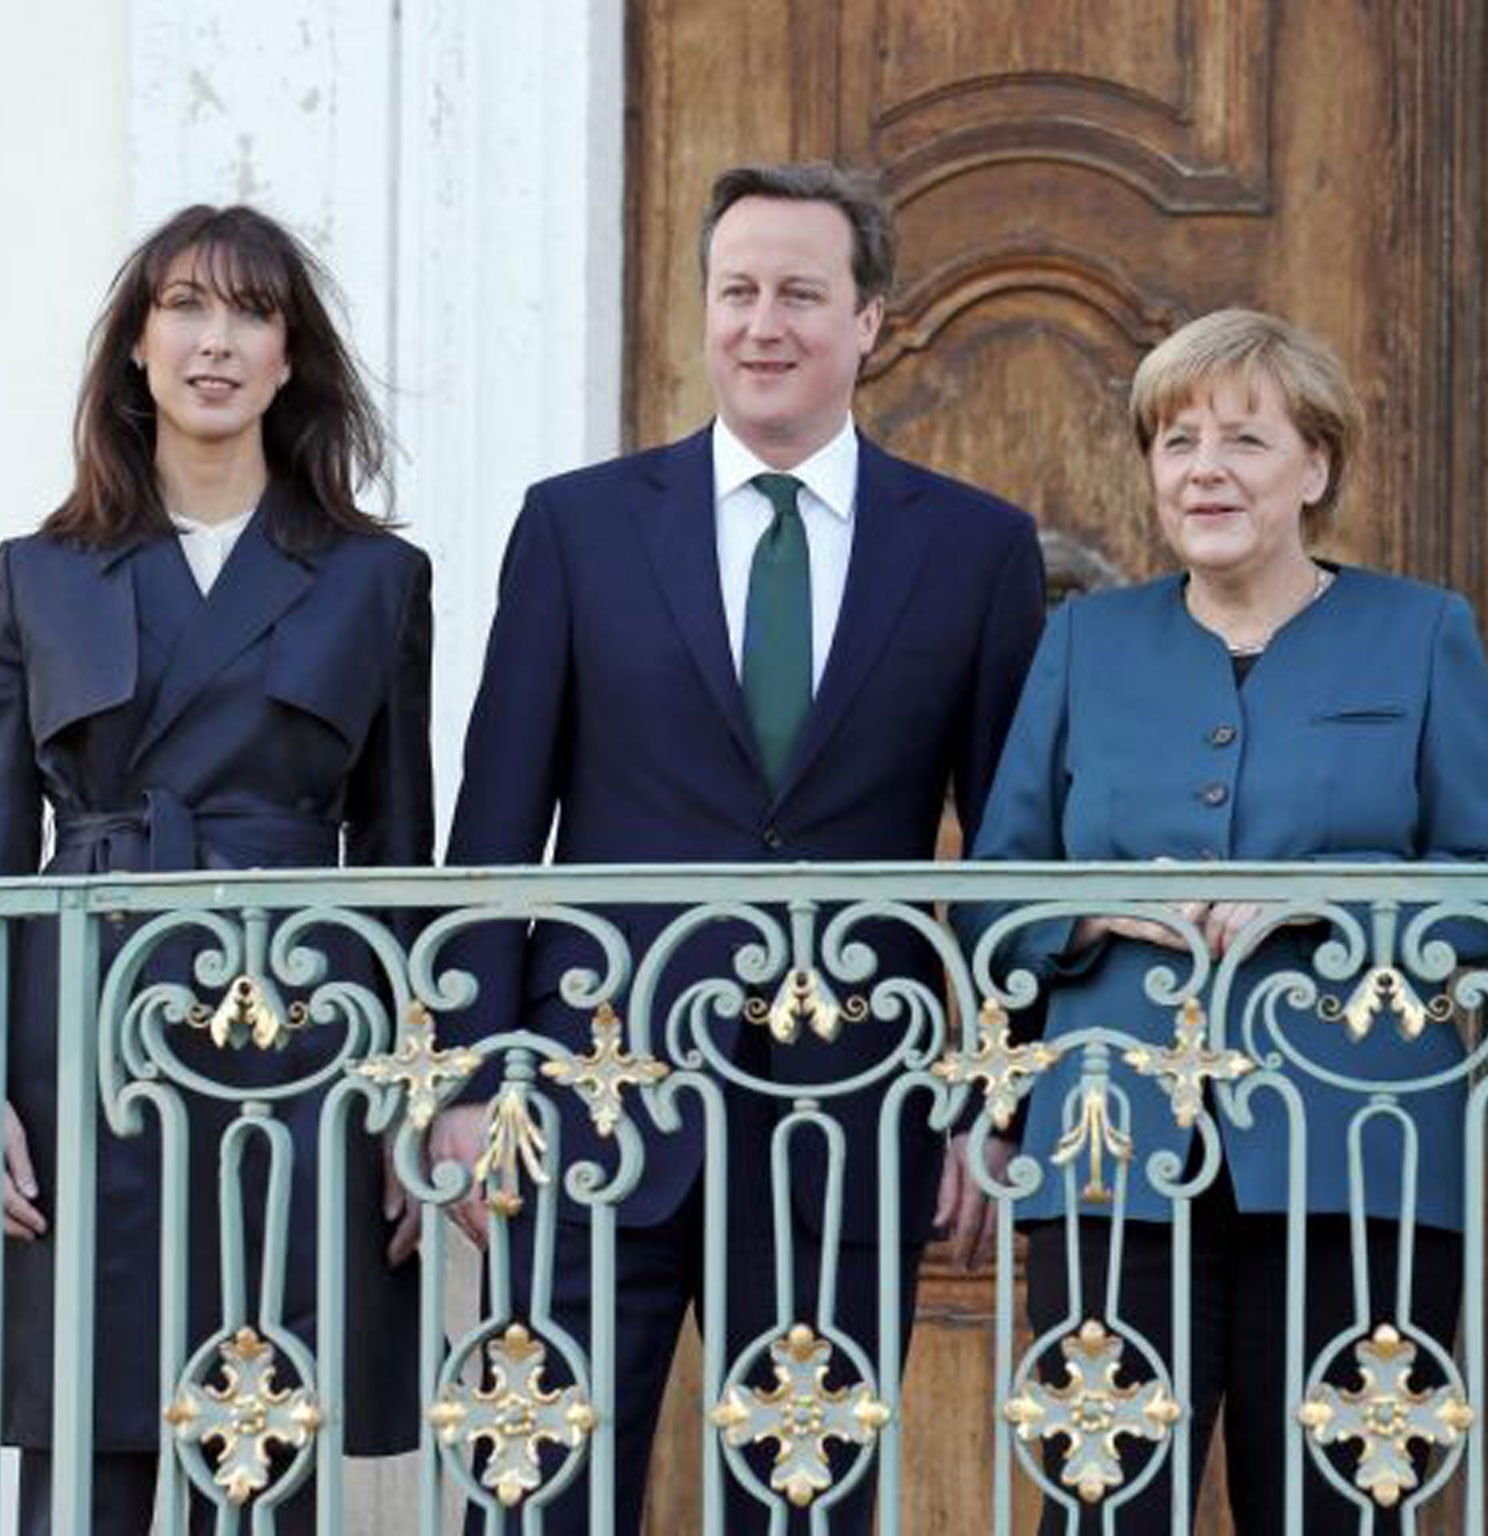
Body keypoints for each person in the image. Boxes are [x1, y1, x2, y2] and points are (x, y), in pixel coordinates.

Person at [432, 161, 1045, 1533]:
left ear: (872, 320)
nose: (764, 324)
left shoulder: (975, 549)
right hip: (588, 1101)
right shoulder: (577, 527)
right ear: (704, 310)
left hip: (851, 1105)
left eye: (802, 295)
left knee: (808, 1506)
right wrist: (470, 1077)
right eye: (739, 291)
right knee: (538, 1498)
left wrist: (991, 1098)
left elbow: (1008, 852)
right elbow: (495, 818)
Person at [964, 309, 1488, 1531]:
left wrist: (1328, 902)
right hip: (1110, 1150)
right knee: (1106, 1504)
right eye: (1175, 442)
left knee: (1341, 1508)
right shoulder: (1080, 643)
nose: (1204, 470)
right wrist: (1098, 915)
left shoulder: (1419, 631)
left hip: (1359, 1146)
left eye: (1242, 439)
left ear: (1314, 466)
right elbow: (994, 895)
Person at [0, 204, 432, 1535]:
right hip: (82, 1039)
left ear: (293, 360)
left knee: (268, 1441)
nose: (212, 341)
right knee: (89, 1443)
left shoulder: (372, 580)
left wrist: (412, 1089)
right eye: (182, 306)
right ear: (134, 348)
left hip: (303, 1033)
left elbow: (402, 852)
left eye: (248, 313)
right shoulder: (38, 576)